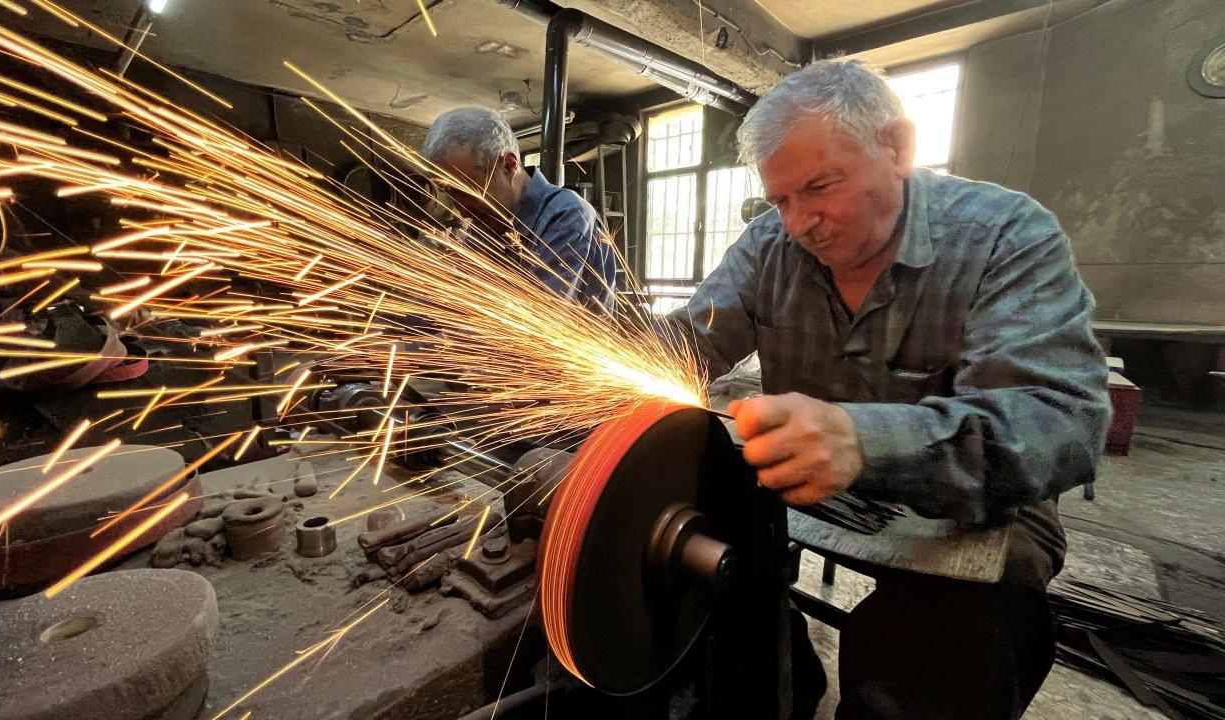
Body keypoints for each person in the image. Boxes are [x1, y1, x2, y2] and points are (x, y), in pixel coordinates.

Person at [659, 59, 1111, 719]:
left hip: (978, 502)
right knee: (691, 514)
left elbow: (1055, 428)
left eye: (820, 186)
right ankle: (772, 685)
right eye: (781, 199)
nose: (798, 223)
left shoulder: (1004, 235)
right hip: (804, 475)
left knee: (974, 599)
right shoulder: (769, 247)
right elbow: (690, 345)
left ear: (897, 147)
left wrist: (867, 441)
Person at [421, 107, 617, 314]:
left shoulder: (567, 215)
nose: (461, 209)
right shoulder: (484, 227)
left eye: (469, 190)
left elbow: (535, 324)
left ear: (509, 165)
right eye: (451, 193)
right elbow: (448, 303)